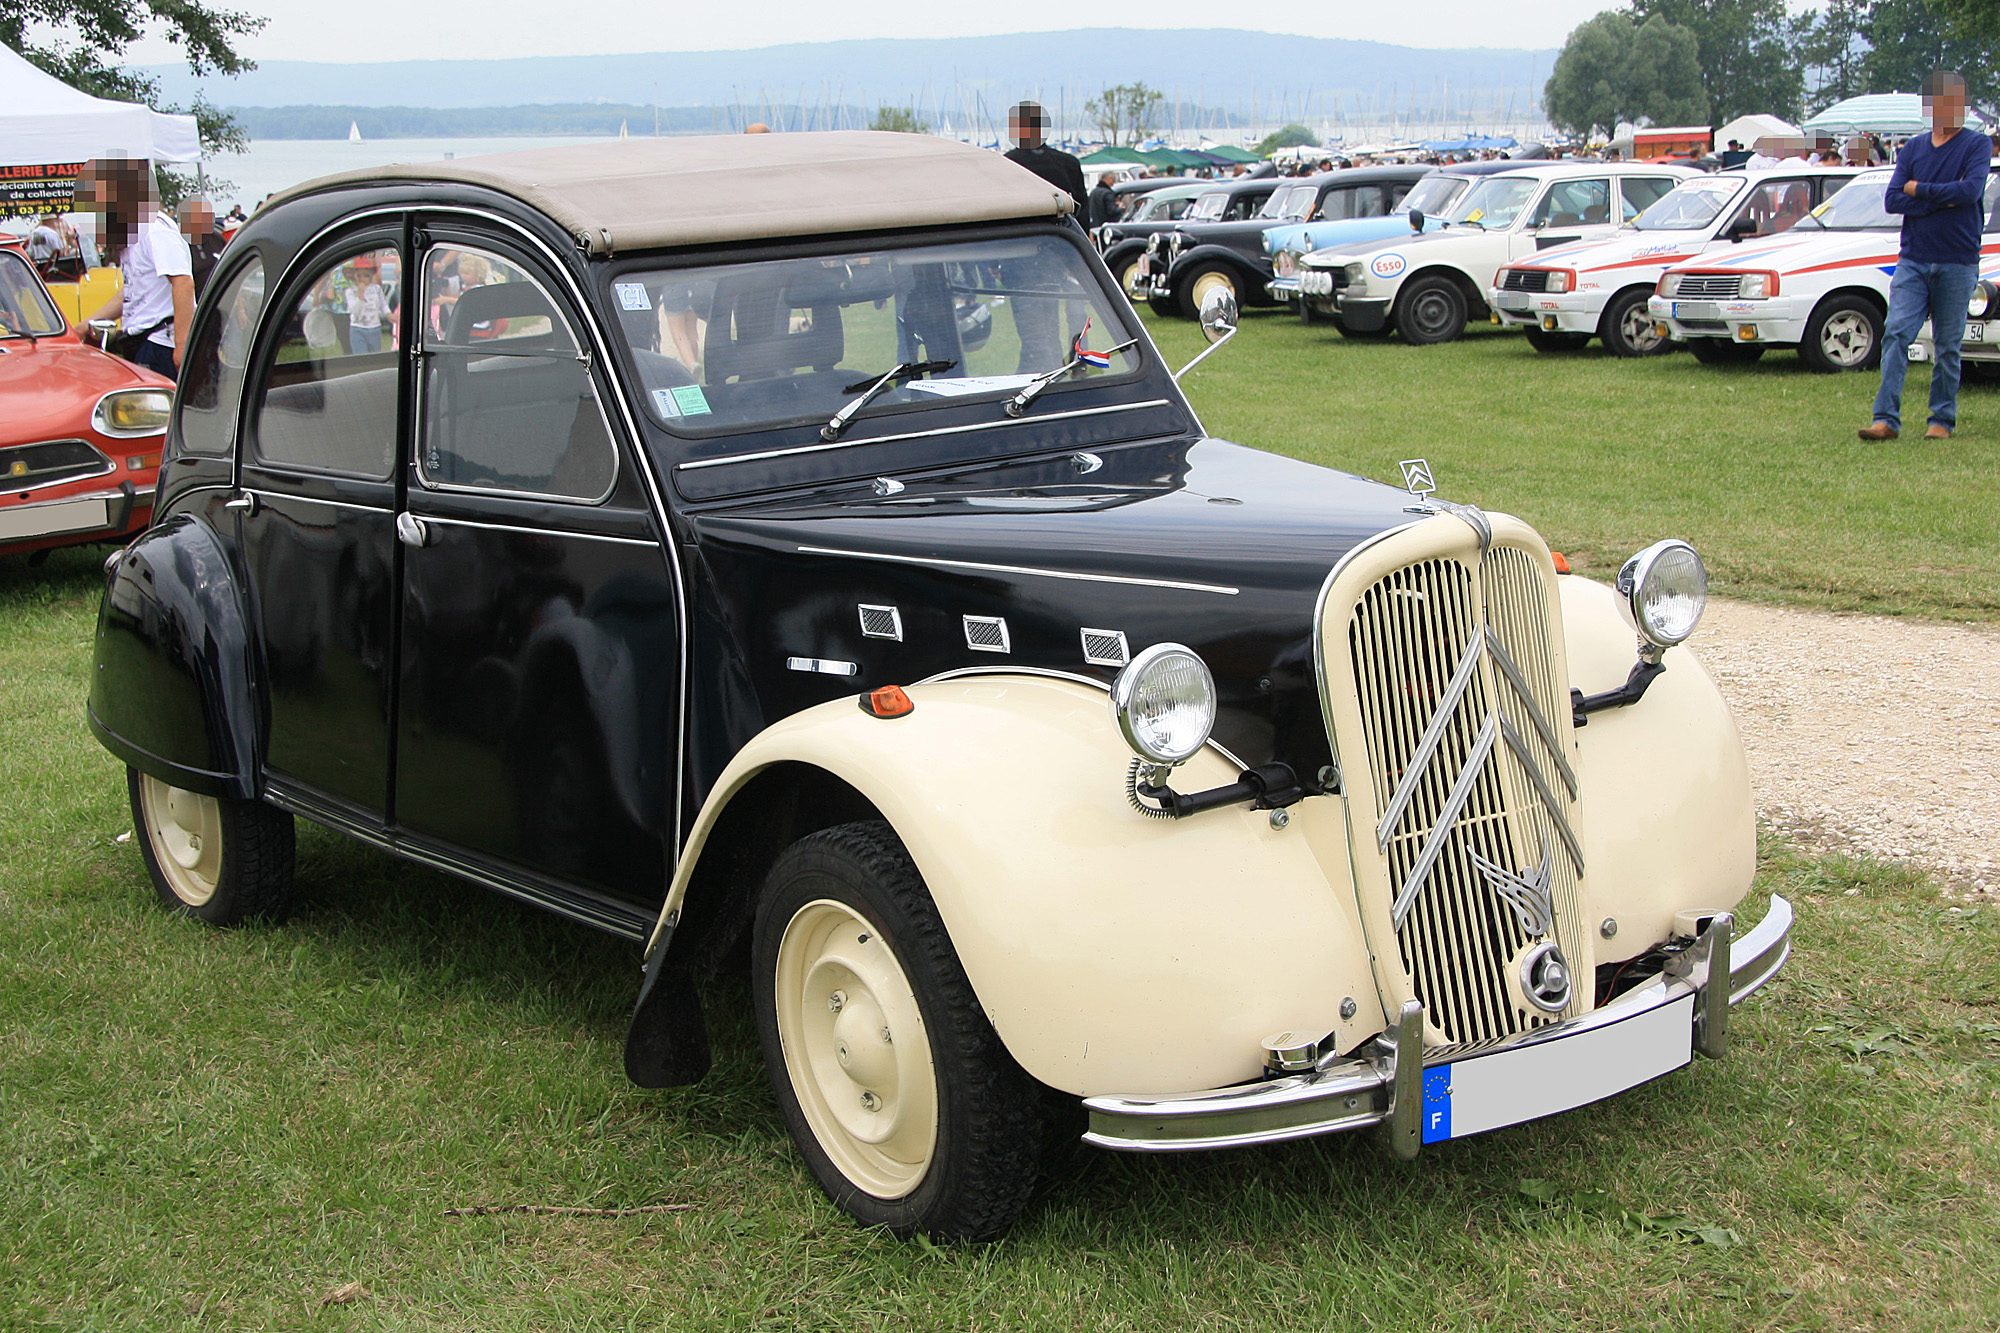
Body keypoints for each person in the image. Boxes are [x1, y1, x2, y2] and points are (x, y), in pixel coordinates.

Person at [1860, 70, 1992, 442]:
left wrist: (1920, 190)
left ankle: (1941, 421)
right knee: (1896, 333)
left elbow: (1969, 192)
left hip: (1957, 260)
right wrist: (1939, 198)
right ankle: (1885, 419)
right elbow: (1893, 199)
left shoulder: (1976, 145)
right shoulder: (1914, 148)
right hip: (1914, 259)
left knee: (1947, 345)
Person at [78, 157, 192, 381]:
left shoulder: (154, 231)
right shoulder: (132, 236)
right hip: (141, 341)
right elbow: (132, 293)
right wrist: (86, 325)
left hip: (161, 343)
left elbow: (183, 282)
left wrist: (182, 345)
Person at [1003, 100, 1086, 211]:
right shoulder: (1069, 163)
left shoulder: (1006, 164)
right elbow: (1082, 207)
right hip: (1062, 225)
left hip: (1020, 225)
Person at [176, 198, 228, 296]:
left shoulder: (215, 238)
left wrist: (241, 309)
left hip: (223, 300)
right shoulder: (178, 244)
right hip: (198, 305)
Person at [344, 253, 386, 354]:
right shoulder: (350, 291)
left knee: (375, 357)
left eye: (366, 275)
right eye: (359, 275)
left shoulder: (376, 289)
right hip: (358, 328)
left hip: (374, 328)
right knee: (361, 357)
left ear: (371, 276)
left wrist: (389, 315)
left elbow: (383, 305)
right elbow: (355, 311)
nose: (362, 278)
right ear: (354, 276)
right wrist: (360, 294)